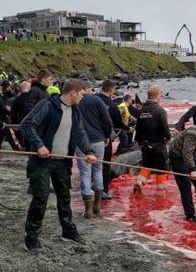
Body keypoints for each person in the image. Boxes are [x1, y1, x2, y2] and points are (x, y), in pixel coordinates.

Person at [20, 79, 97, 253]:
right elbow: (26, 124)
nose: (83, 98)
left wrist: (89, 151)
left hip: (62, 161)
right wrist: (39, 145)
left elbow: (80, 134)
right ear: (74, 93)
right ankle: (31, 237)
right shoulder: (47, 105)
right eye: (82, 94)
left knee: (64, 196)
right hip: (42, 162)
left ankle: (68, 231)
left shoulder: (76, 111)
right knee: (40, 198)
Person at [76, 80, 112, 218]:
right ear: (88, 88)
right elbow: (106, 119)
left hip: (81, 141)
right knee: (97, 170)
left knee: (84, 173)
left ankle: (88, 209)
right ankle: (97, 204)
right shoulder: (97, 100)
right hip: (98, 140)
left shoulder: (76, 101)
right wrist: (107, 134)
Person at [97, 80, 133, 199]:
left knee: (90, 163)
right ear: (112, 90)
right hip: (105, 137)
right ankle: (104, 190)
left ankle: (90, 186)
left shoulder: (92, 98)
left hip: (89, 135)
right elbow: (118, 122)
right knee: (106, 163)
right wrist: (128, 129)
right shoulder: (112, 105)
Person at [133, 85, 171, 195]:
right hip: (157, 144)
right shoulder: (160, 110)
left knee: (147, 165)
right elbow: (164, 126)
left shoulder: (141, 111)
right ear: (156, 95)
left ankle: (139, 183)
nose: (160, 97)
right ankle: (161, 192)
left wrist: (139, 141)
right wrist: (168, 137)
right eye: (160, 95)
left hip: (144, 144)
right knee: (162, 167)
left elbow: (138, 127)